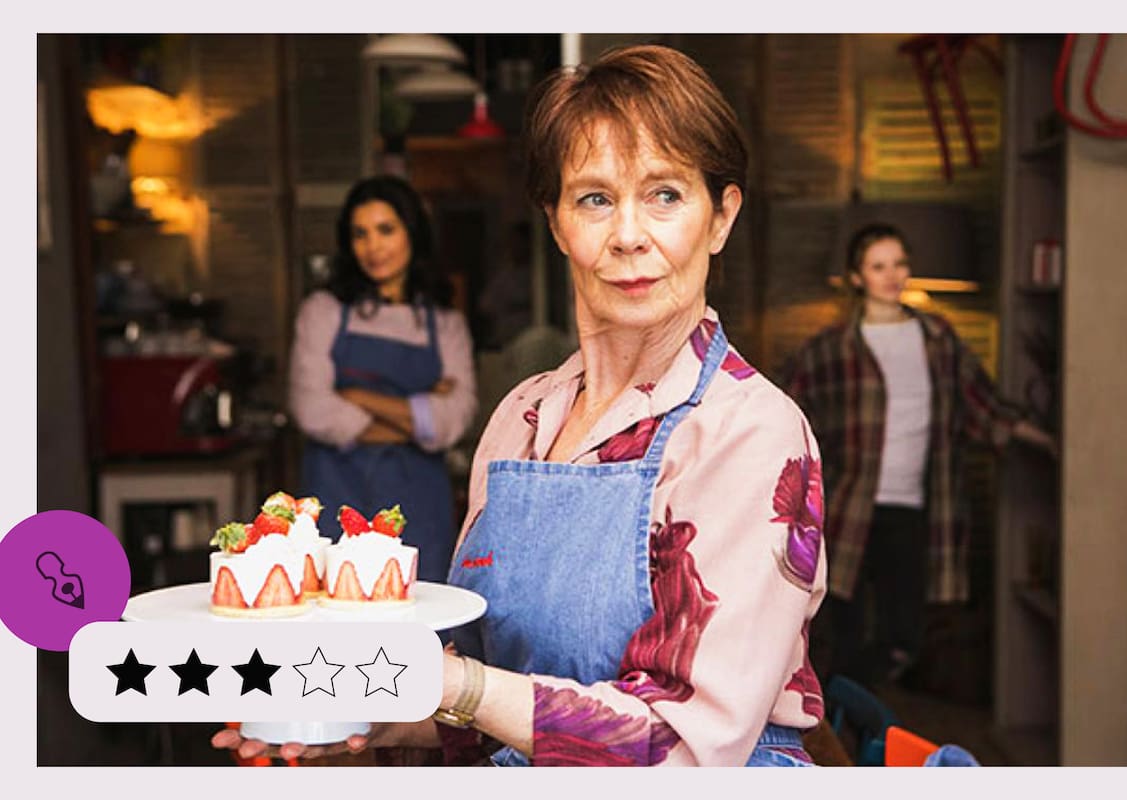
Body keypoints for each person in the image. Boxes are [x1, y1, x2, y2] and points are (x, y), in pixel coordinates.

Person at [215, 44, 827, 768]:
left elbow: (688, 748)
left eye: (665, 194)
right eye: (594, 198)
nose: (629, 235)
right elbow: (486, 698)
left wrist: (458, 685)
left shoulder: (749, 430)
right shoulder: (522, 419)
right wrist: (367, 711)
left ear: (720, 218)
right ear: (557, 221)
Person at [785, 222, 1057, 687]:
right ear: (857, 277)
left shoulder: (936, 337)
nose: (892, 276)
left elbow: (983, 403)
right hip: (846, 508)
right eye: (878, 266)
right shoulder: (831, 348)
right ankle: (846, 739)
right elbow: (785, 415)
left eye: (900, 264)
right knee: (838, 633)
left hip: (914, 508)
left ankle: (868, 715)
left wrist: (1049, 442)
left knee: (903, 636)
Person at [287, 175, 477, 583]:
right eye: (360, 234)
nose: (372, 247)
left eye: (385, 230)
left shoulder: (445, 324)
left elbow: (455, 419)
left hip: (420, 502)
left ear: (412, 232)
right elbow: (313, 409)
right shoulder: (323, 311)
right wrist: (419, 412)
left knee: (420, 624)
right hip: (336, 493)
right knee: (335, 626)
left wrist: (356, 396)